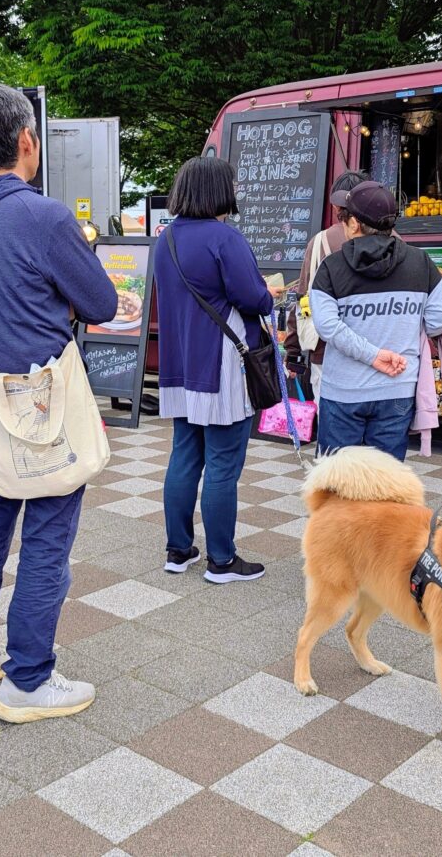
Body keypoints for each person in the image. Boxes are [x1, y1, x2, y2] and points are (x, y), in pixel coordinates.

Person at [0, 85, 118, 722]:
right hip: (43, 406)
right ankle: (28, 680)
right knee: (47, 536)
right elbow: (100, 304)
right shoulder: (43, 216)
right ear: (26, 141)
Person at [155, 156, 276, 583]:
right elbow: (254, 298)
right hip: (222, 363)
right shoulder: (225, 238)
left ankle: (178, 549)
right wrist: (271, 294)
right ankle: (221, 561)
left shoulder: (165, 239)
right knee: (223, 462)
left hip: (180, 365)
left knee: (184, 455)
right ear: (217, 190)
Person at [310, 180, 442, 461]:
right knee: (386, 483)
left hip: (343, 391)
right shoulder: (421, 263)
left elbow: (327, 326)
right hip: (398, 386)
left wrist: (373, 355)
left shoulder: (331, 267)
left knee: (337, 484)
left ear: (353, 223)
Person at [284, 170, 367, 400]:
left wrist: (292, 352)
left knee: (333, 429)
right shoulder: (393, 240)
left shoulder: (320, 242)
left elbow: (303, 298)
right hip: (379, 354)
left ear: (336, 206)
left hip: (328, 353)